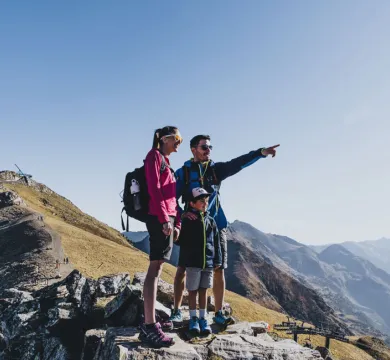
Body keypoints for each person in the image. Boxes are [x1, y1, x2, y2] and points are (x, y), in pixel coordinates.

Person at [169, 134, 279, 326]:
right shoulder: (183, 173)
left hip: (216, 226)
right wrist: (181, 216)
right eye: (204, 147)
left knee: (219, 268)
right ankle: (177, 311)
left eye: (210, 147)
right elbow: (171, 199)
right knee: (182, 268)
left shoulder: (215, 170)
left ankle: (219, 312)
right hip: (192, 228)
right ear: (193, 149)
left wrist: (260, 153)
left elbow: (238, 163)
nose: (208, 150)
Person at [138, 126, 183, 348]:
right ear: (164, 139)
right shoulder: (154, 156)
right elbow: (154, 188)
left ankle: (150, 321)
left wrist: (176, 221)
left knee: (158, 267)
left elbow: (170, 195)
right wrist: (165, 219)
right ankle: (149, 326)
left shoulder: (165, 160)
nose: (179, 143)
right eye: (177, 138)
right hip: (159, 217)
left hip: (167, 217)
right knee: (155, 268)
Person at [175, 187, 221, 334]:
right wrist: (181, 220)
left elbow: (216, 242)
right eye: (201, 201)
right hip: (193, 263)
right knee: (193, 291)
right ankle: (193, 319)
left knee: (203, 291)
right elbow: (180, 241)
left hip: (207, 263)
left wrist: (217, 259)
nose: (205, 203)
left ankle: (203, 319)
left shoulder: (211, 221)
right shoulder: (188, 220)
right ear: (192, 203)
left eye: (206, 201)